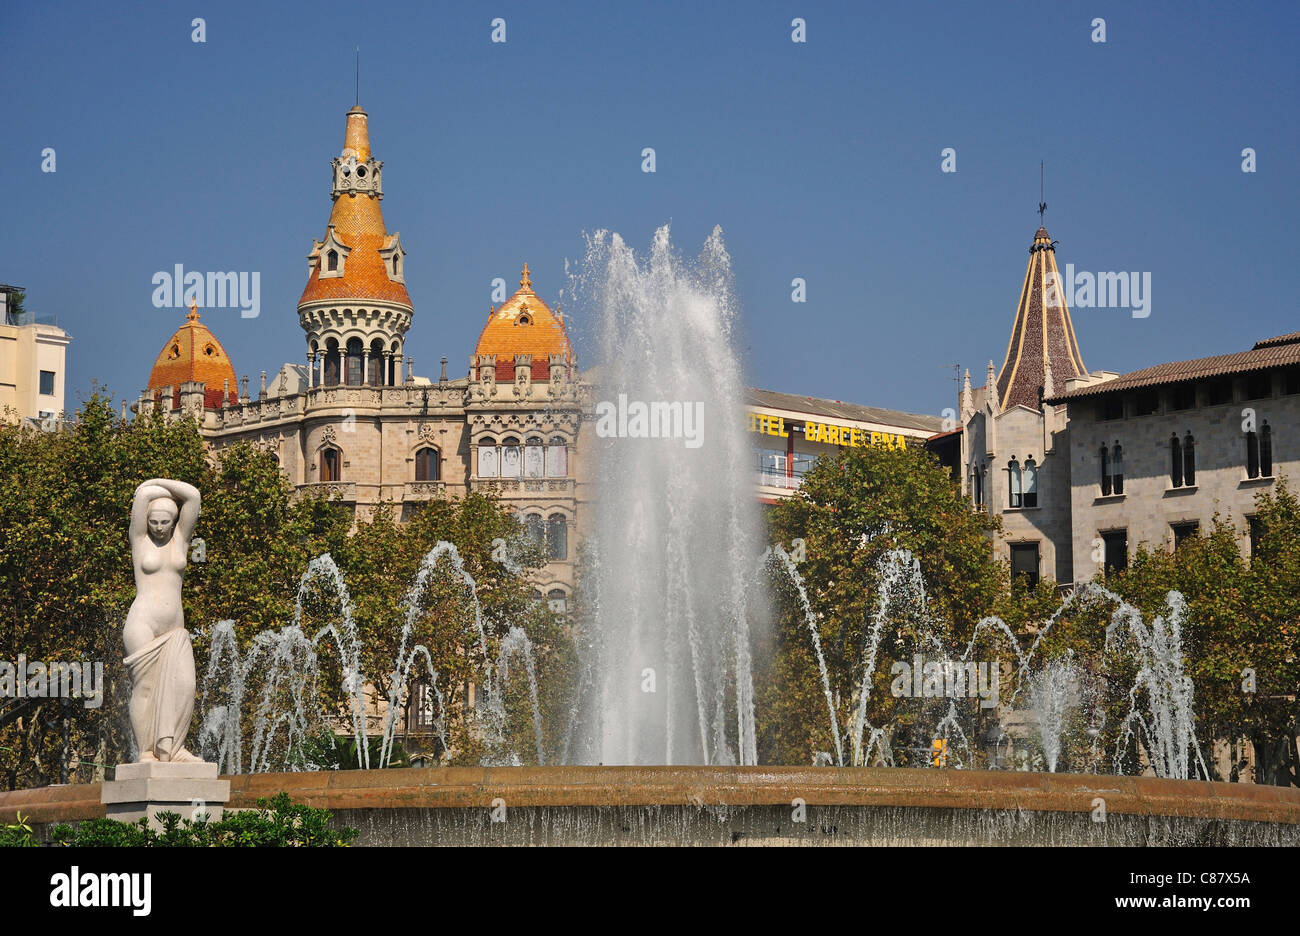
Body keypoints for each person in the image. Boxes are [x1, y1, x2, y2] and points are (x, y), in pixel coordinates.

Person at [122, 478, 204, 763]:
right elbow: (141, 495)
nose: (158, 527)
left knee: (185, 686)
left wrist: (157, 483)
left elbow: (193, 496)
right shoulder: (139, 540)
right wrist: (149, 489)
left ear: (174, 521)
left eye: (165, 521)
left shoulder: (182, 540)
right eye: (154, 521)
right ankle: (146, 751)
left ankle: (174, 748)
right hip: (142, 623)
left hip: (175, 629)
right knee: (145, 687)